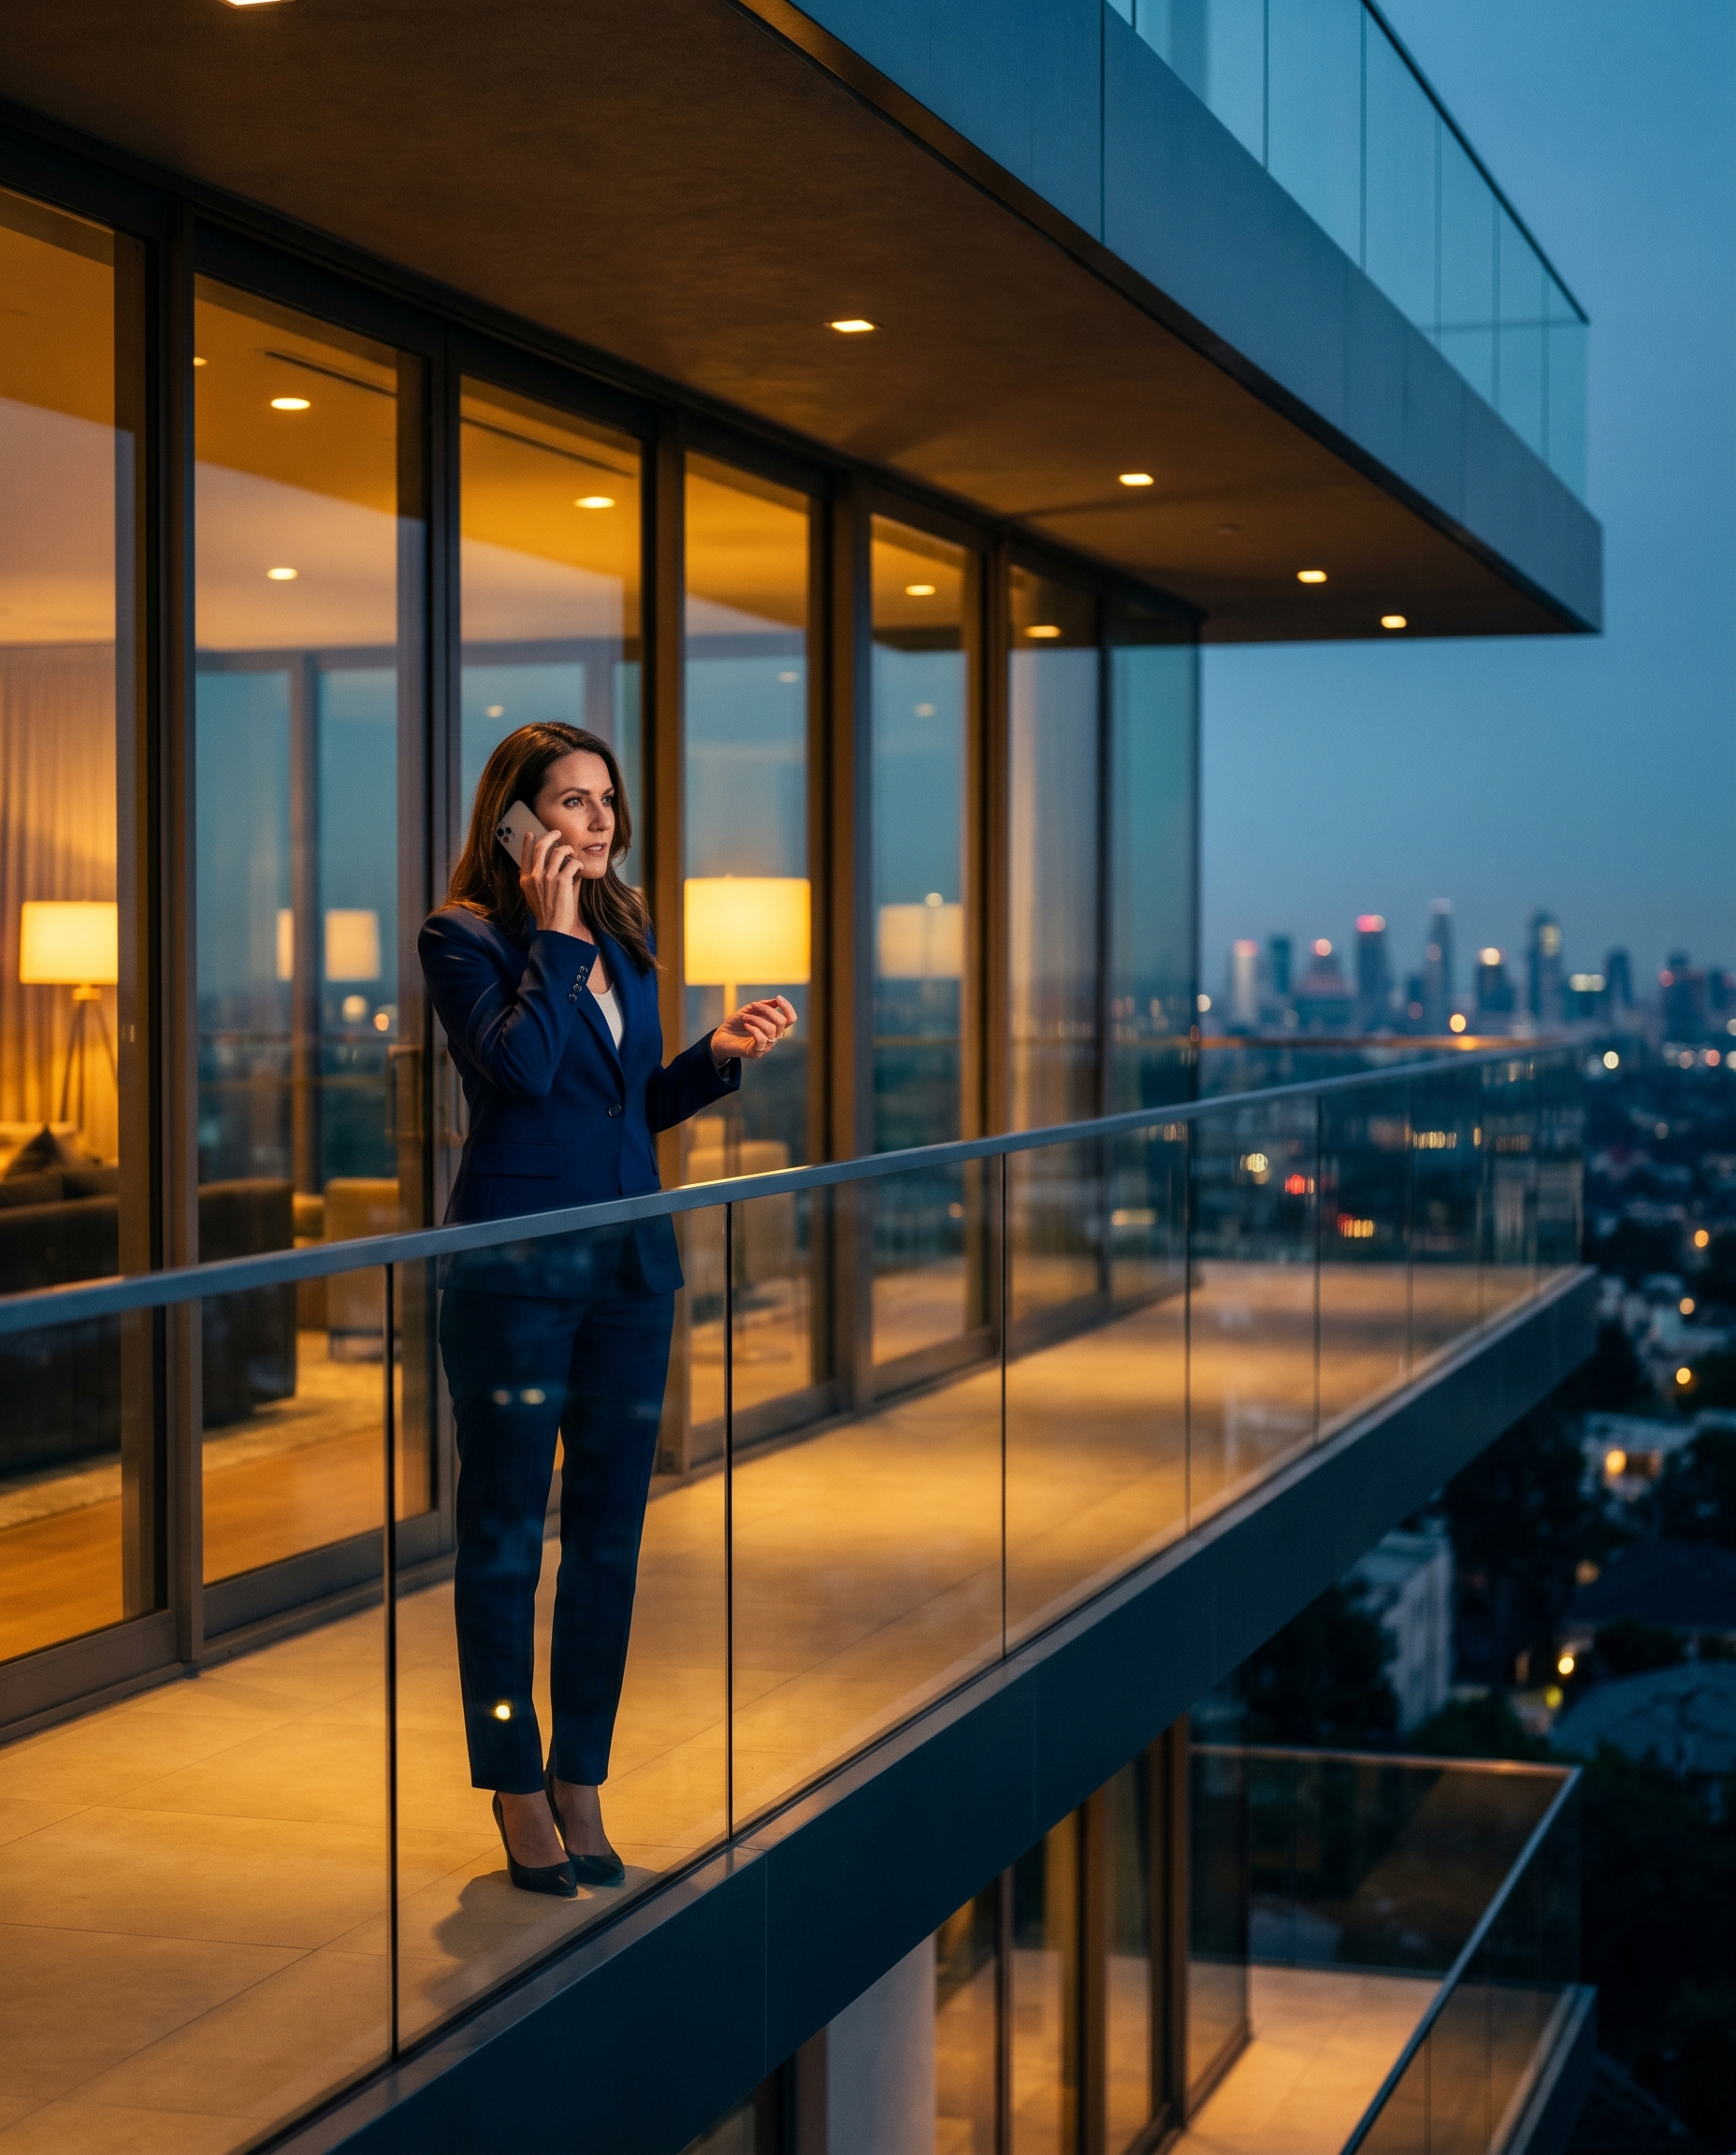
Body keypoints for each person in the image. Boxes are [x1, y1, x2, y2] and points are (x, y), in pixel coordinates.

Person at [420, 721, 794, 1897]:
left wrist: (712, 1059)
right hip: (516, 1278)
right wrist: (556, 932)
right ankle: (515, 1782)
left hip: (630, 1276)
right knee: (502, 1543)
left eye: (604, 803)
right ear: (515, 821)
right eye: (571, 804)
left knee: (609, 1545)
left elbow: (619, 1114)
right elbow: (521, 1077)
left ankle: (580, 1771)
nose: (595, 824)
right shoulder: (467, 937)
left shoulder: (621, 939)